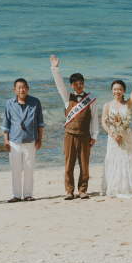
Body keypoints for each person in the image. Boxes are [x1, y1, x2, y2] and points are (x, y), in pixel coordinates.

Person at [50, 55, 99, 200]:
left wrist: (95, 136)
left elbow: (94, 118)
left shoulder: (91, 100)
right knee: (69, 164)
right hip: (69, 135)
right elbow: (59, 84)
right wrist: (55, 68)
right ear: (71, 85)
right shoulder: (67, 97)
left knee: (85, 164)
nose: (79, 86)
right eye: (76, 84)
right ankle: (69, 191)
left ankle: (83, 190)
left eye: (81, 83)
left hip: (85, 135)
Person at [100, 61, 132, 198]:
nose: (117, 91)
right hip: (113, 137)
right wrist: (113, 135)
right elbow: (103, 123)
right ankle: (113, 187)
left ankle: (126, 188)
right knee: (113, 161)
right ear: (112, 91)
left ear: (123, 91)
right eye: (114, 89)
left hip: (126, 136)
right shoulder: (107, 105)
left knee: (126, 161)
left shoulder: (128, 103)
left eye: (119, 89)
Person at [1, 78, 44, 202]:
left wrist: (40, 139)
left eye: (24, 87)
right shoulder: (9, 103)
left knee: (29, 168)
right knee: (15, 169)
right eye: (19, 87)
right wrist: (6, 140)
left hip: (30, 140)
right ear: (15, 90)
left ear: (28, 88)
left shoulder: (35, 102)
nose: (22, 90)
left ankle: (28, 194)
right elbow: (6, 124)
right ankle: (16, 195)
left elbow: (40, 122)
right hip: (14, 141)